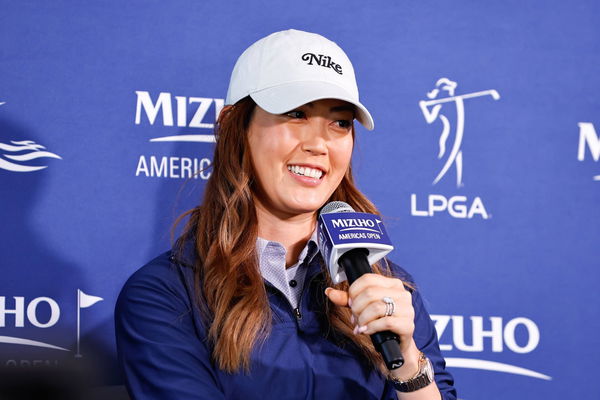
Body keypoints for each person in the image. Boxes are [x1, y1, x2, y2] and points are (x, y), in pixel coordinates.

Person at [115, 29, 457, 400]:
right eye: (296, 114)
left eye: (340, 123)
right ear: (234, 126)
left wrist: (407, 362)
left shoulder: (387, 287)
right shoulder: (165, 294)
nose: (318, 144)